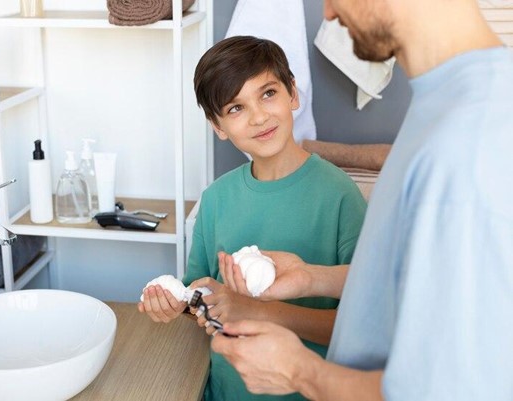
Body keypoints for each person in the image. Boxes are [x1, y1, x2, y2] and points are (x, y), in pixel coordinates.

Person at [211, 0, 513, 400]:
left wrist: (301, 372)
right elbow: (423, 279)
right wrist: (314, 277)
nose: (330, 14)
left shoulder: (473, 138)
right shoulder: (446, 106)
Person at [138, 36, 367, 401]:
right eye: (235, 108)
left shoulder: (340, 197)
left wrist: (257, 311)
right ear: (218, 127)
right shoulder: (215, 199)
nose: (259, 117)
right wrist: (176, 301)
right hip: (225, 391)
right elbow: (199, 296)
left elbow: (359, 326)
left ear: (293, 93)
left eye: (268, 94)